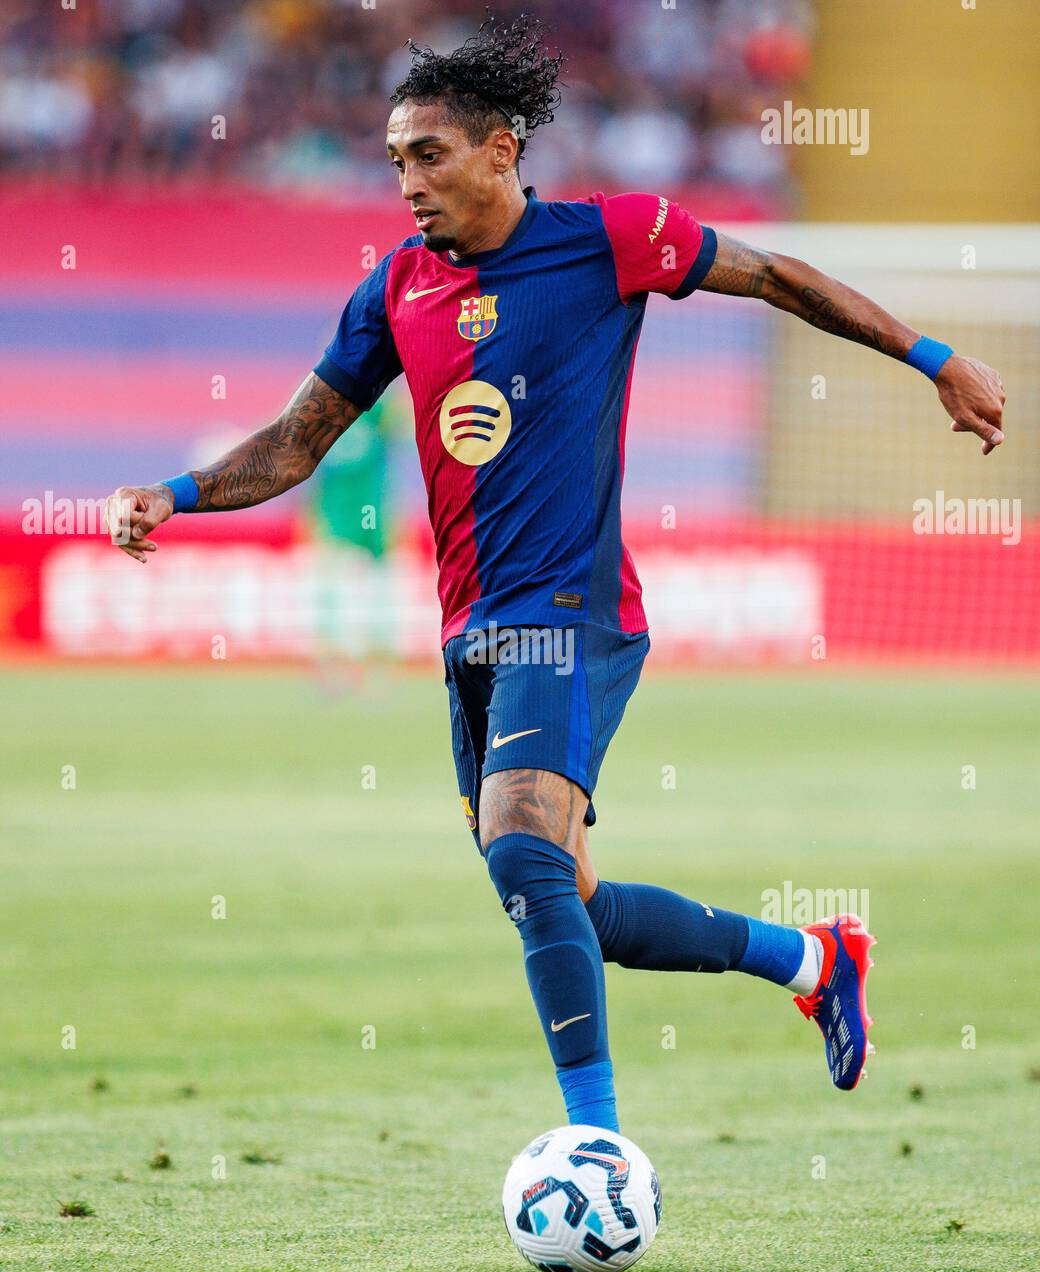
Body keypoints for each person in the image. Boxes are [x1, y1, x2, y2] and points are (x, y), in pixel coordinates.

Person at [105, 14, 1005, 1135]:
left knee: (526, 853)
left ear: (499, 150)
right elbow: (298, 439)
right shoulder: (394, 287)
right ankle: (811, 958)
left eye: (426, 155)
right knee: (563, 898)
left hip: (571, 614)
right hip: (468, 634)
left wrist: (930, 357)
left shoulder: (613, 240)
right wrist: (175, 495)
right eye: (394, 161)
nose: (406, 183)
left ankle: (594, 1144)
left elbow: (773, 275)